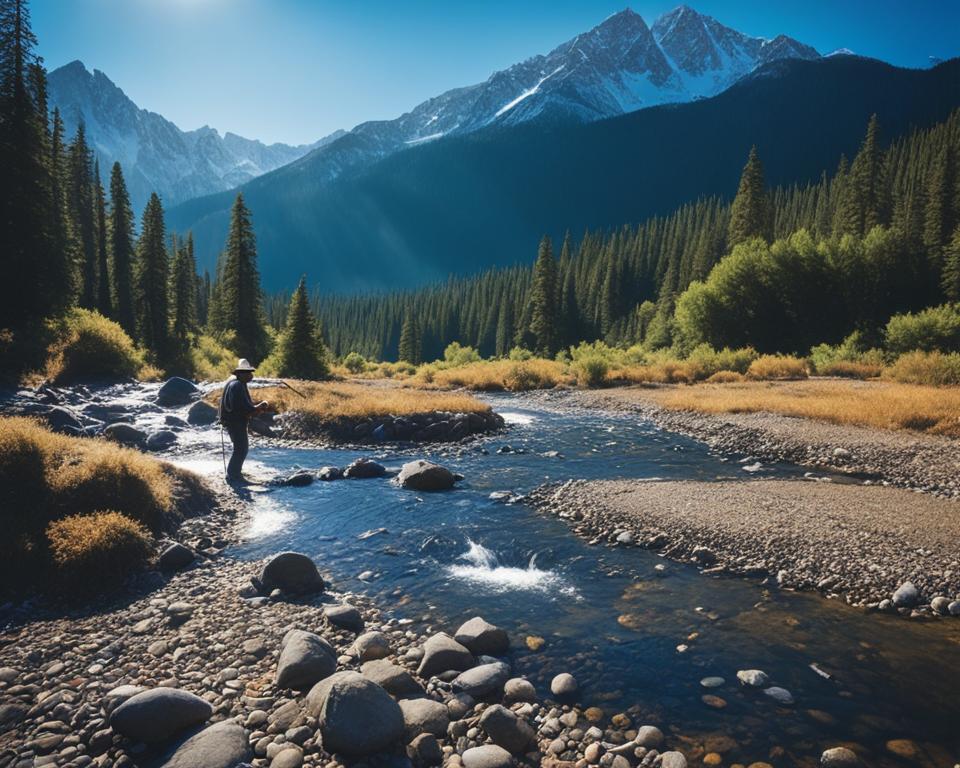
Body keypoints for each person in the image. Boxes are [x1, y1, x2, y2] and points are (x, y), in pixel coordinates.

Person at [218, 358, 270, 482]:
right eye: (247, 373)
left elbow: (241, 407)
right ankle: (234, 475)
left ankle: (234, 473)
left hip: (232, 422)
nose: (250, 375)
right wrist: (260, 406)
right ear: (240, 374)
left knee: (240, 448)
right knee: (241, 449)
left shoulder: (234, 384)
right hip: (236, 422)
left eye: (250, 372)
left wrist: (255, 409)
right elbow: (244, 409)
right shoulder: (237, 386)